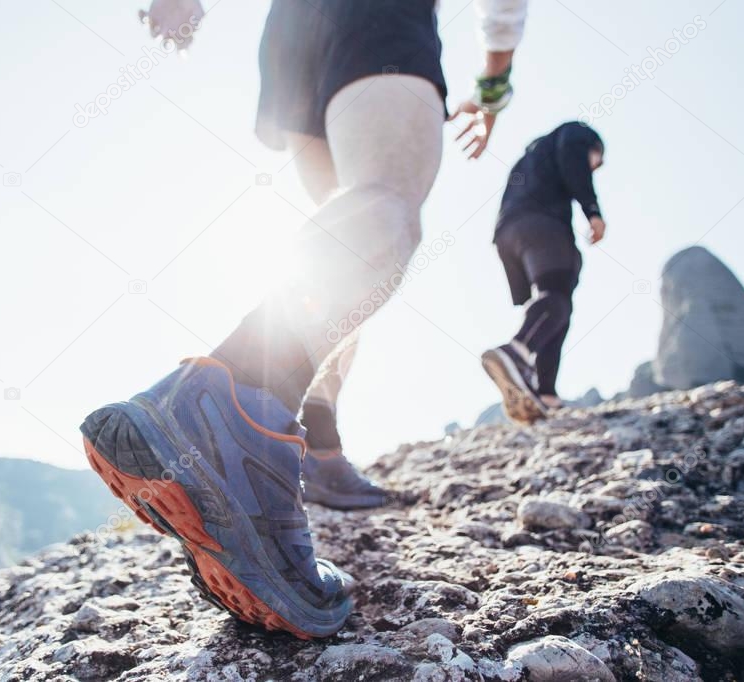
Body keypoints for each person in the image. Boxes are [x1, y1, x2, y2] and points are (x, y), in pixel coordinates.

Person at [81, 0, 529, 639]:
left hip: (292, 39)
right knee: (386, 205)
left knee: (350, 247)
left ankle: (310, 443)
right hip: (377, 22)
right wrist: (493, 83)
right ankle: (229, 405)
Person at [481, 121, 606, 423]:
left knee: (550, 305)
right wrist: (592, 210)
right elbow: (574, 161)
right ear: (594, 149)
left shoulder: (531, 158)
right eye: (596, 164)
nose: (593, 169)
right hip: (543, 226)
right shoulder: (575, 134)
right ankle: (517, 352)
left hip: (508, 235)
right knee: (558, 296)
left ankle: (544, 393)